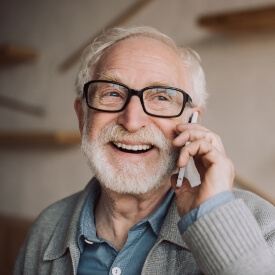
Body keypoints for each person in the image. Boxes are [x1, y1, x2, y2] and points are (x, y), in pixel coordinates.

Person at [14, 26, 275, 275]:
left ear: (191, 123)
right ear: (83, 116)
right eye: (112, 93)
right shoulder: (46, 229)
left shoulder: (263, 225)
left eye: (161, 97)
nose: (132, 120)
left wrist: (216, 220)